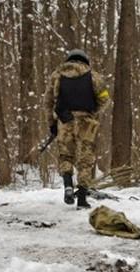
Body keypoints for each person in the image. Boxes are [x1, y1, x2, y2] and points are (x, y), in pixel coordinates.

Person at [45, 49, 109, 209]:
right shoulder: (94, 76)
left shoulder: (56, 75)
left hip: (64, 120)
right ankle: (81, 199)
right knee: (85, 160)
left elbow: (47, 102)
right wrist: (92, 112)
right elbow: (105, 99)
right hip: (87, 122)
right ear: (85, 60)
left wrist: (52, 124)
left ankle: (67, 184)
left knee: (66, 156)